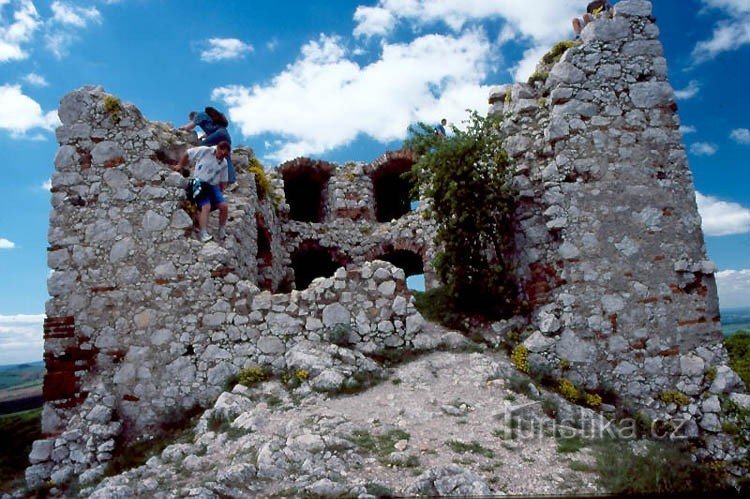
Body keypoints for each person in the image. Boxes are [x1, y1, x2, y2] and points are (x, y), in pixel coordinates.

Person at [175, 141, 231, 242]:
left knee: (224, 206)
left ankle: (221, 229)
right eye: (221, 153)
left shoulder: (224, 162)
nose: (222, 157)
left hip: (213, 185)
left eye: (225, 155)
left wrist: (220, 193)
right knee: (206, 206)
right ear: (217, 149)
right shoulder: (205, 151)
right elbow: (188, 153)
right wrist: (180, 165)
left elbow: (223, 180)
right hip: (199, 182)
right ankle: (203, 233)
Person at [181, 107, 236, 186]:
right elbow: (212, 131)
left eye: (192, 119)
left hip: (219, 134)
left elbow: (189, 127)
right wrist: (203, 137)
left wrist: (182, 128)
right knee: (226, 158)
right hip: (225, 136)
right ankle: (231, 180)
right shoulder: (208, 117)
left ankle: (200, 166)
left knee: (201, 147)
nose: (193, 120)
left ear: (193, 116)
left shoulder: (199, 115)